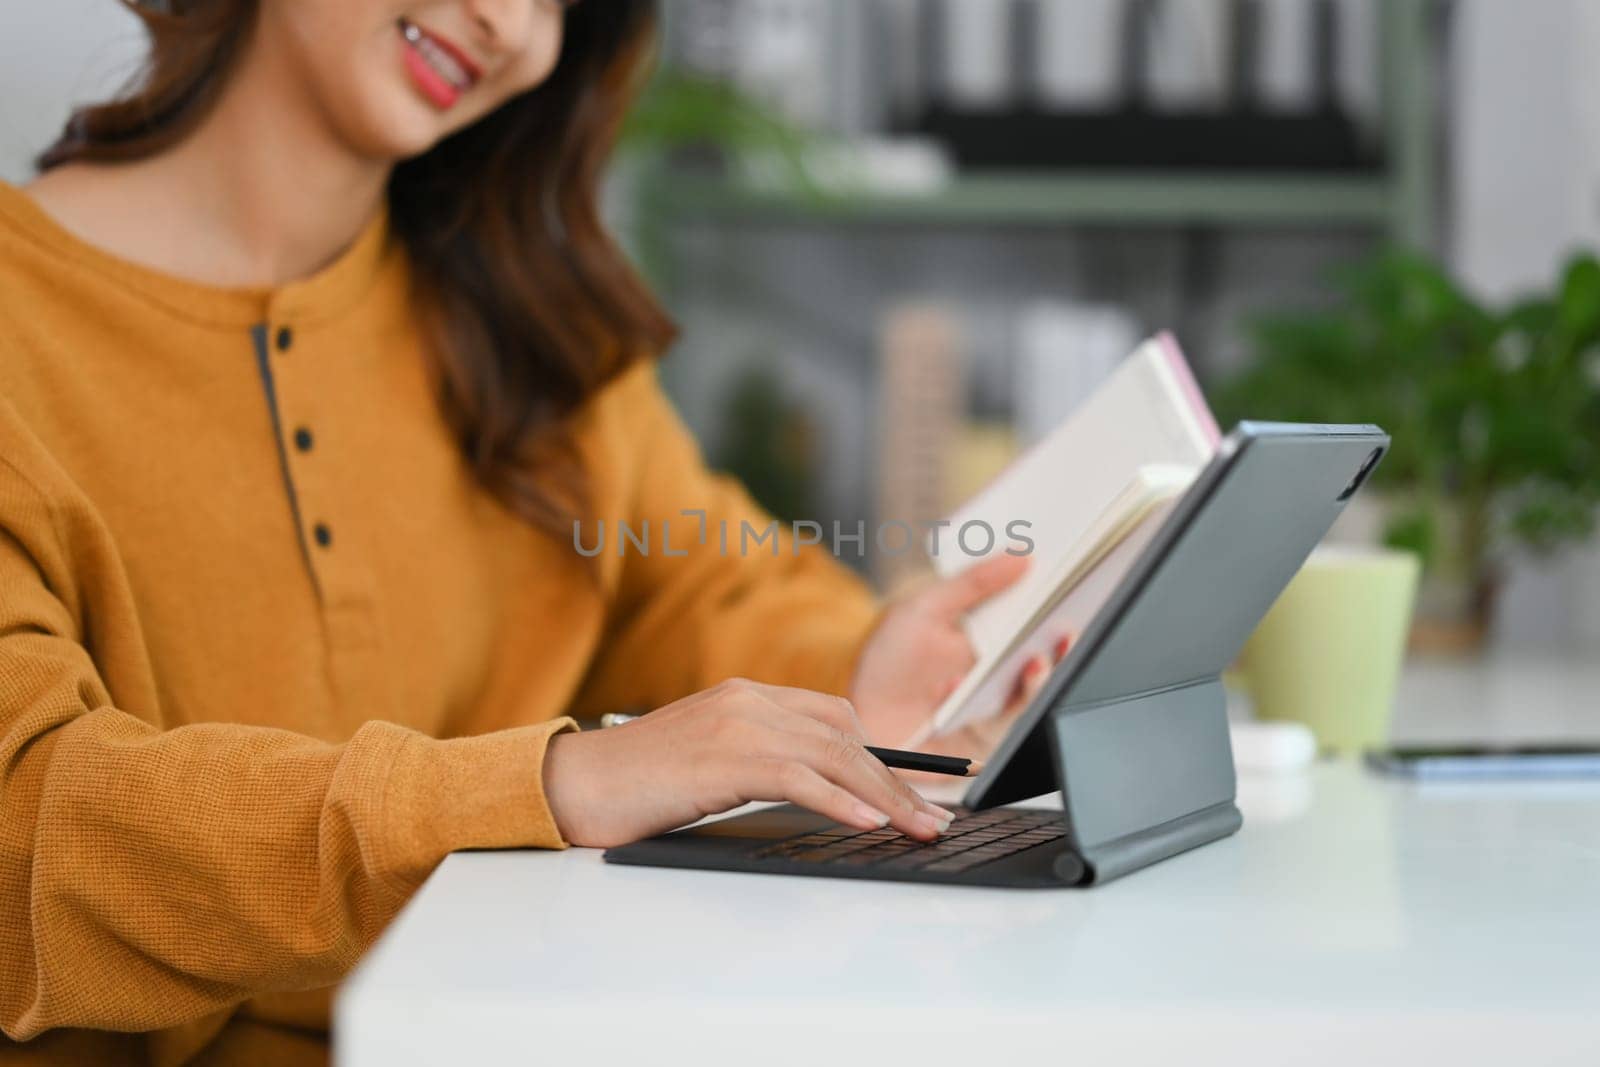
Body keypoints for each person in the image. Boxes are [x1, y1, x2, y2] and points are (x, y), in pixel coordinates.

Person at [0, 1, 1051, 1062]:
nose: (507, 23)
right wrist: (550, 785)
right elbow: (24, 816)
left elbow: (708, 586)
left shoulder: (521, 321)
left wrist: (855, 688)